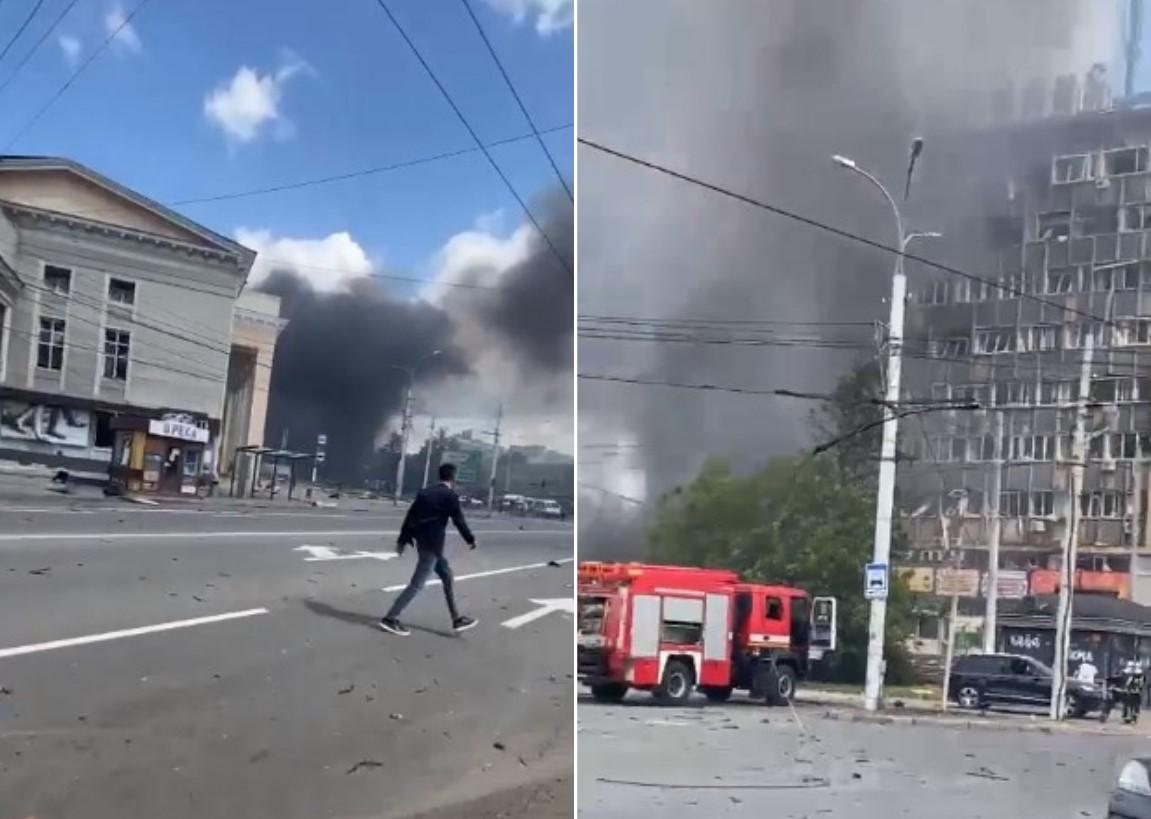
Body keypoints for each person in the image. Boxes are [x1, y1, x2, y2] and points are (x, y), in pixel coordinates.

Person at [379, 462, 478, 636]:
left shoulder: (425, 493)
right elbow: (459, 521)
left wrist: (402, 541)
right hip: (433, 546)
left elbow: (410, 517)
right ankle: (390, 617)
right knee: (417, 584)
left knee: (447, 576)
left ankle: (456, 619)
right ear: (453, 478)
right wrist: (470, 539)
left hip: (425, 543)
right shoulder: (450, 496)